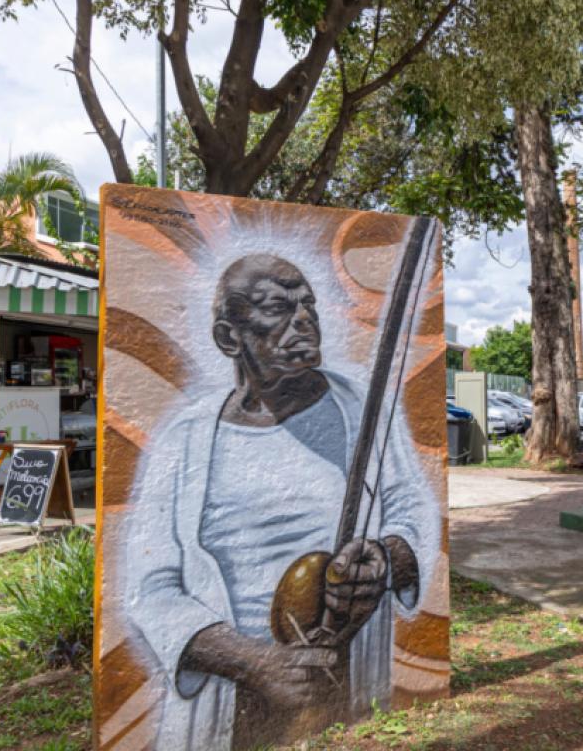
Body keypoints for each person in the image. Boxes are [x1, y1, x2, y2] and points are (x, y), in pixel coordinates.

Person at [121, 254, 436, 751]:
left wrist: (387, 557)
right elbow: (151, 586)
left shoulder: (363, 409)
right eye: (277, 308)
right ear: (229, 338)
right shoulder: (184, 440)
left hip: (345, 677)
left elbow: (411, 508)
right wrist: (253, 661)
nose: (303, 318)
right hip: (232, 703)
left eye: (307, 304)